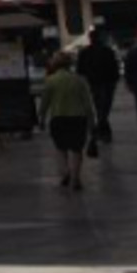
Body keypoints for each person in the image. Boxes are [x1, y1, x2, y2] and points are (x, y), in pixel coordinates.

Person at [40, 52, 94, 191]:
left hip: (58, 119)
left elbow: (44, 103)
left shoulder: (50, 81)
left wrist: (41, 118)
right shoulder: (79, 80)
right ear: (70, 64)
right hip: (78, 119)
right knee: (77, 150)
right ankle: (76, 179)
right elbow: (87, 104)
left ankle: (65, 172)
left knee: (60, 148)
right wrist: (92, 122)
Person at [76, 29, 121, 147]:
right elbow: (115, 68)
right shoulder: (108, 51)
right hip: (108, 83)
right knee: (105, 107)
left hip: (93, 83)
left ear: (90, 38)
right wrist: (115, 80)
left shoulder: (84, 52)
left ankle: (100, 130)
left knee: (98, 106)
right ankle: (103, 130)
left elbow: (79, 70)